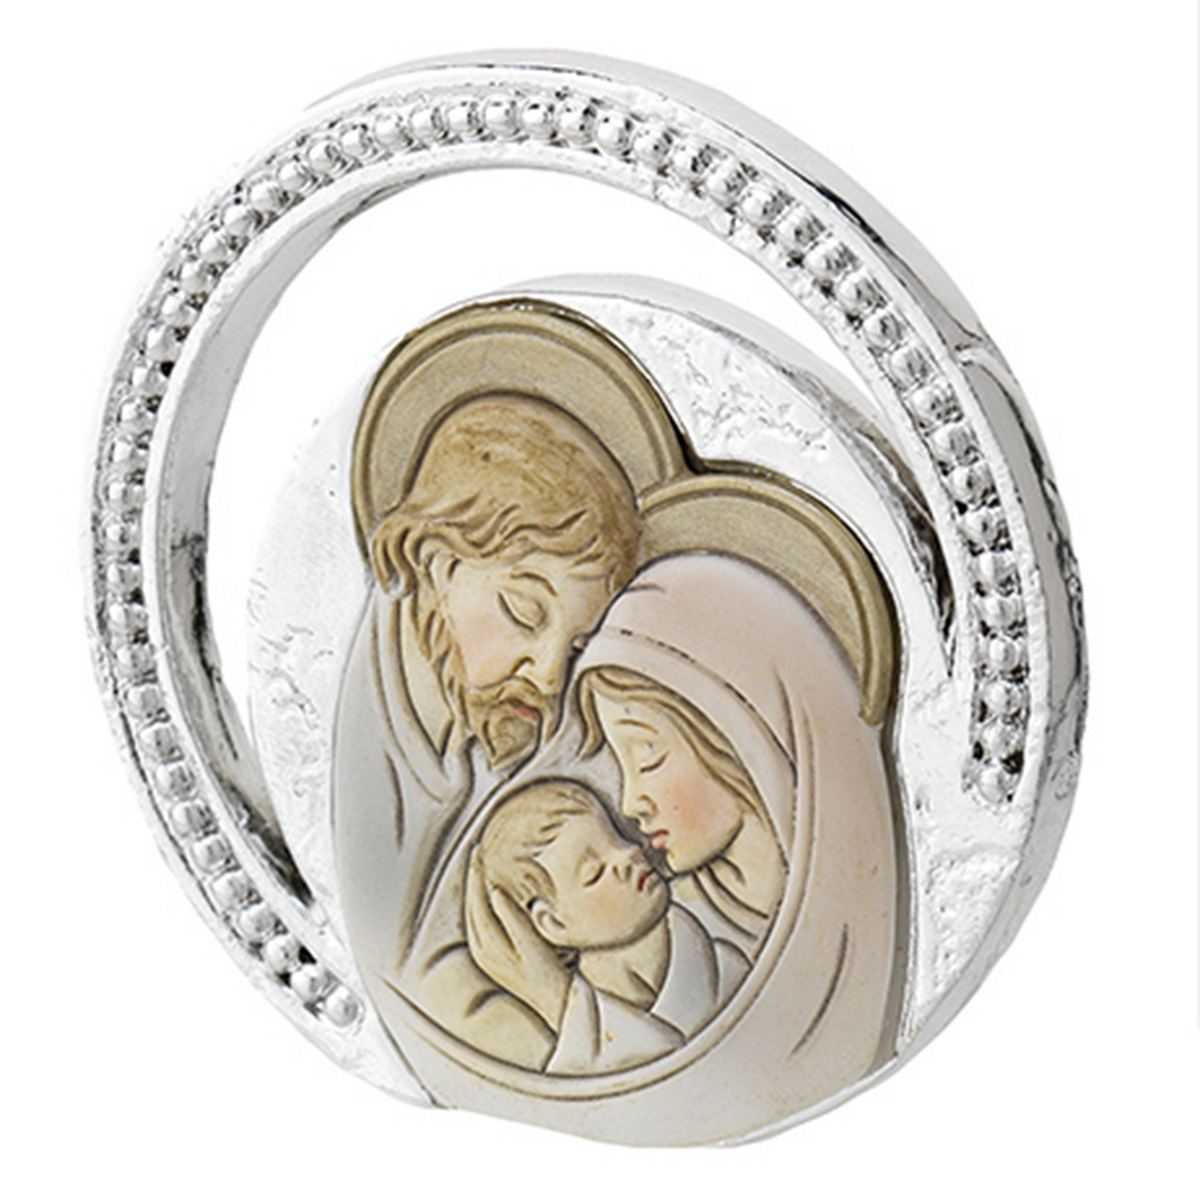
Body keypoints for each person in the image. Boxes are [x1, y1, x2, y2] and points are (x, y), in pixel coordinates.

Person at [332, 394, 640, 1066]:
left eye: (579, 644)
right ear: (434, 562)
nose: (550, 675)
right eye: (525, 613)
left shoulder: (556, 742)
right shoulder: (357, 731)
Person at [465, 779, 750, 1074]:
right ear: (553, 923)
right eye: (596, 872)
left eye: (619, 839)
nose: (630, 853)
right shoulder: (580, 1060)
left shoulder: (729, 965)